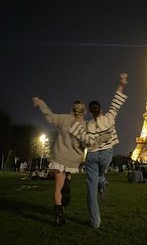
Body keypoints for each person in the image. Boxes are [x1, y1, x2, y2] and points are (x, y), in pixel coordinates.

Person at [69, 73, 128, 229]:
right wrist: (122, 83)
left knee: (91, 189)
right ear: (100, 109)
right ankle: (103, 181)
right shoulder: (109, 117)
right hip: (107, 155)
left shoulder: (87, 125)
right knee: (101, 174)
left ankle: (95, 222)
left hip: (93, 156)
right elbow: (116, 101)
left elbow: (82, 138)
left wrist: (76, 117)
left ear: (90, 111)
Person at [32, 97, 87, 226]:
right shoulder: (84, 125)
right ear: (83, 111)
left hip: (59, 157)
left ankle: (58, 216)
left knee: (58, 187)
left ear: (72, 109)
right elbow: (87, 141)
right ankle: (67, 182)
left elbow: (49, 115)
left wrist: (40, 102)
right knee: (64, 185)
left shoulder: (63, 118)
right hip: (72, 160)